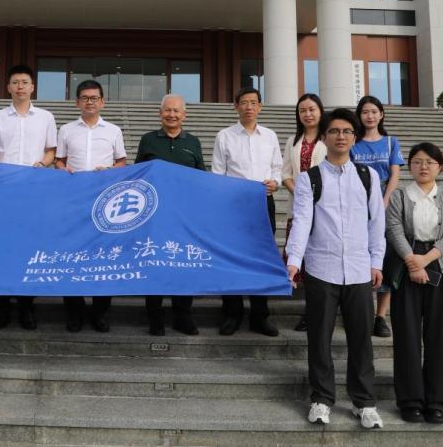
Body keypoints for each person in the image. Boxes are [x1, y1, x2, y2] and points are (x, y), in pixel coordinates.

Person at [285, 108, 385, 430]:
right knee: (319, 338)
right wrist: (293, 261)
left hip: (358, 270)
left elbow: (376, 223)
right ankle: (321, 399)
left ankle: (364, 402)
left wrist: (376, 262)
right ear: (324, 137)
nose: (340, 136)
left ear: (354, 137)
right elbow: (302, 222)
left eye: (346, 131)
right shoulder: (309, 178)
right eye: (334, 131)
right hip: (321, 269)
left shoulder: (368, 177)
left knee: (361, 340)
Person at [386, 142, 443, 424]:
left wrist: (426, 260)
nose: (423, 167)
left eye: (430, 162)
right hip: (406, 267)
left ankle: (436, 403)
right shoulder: (399, 196)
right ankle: (410, 402)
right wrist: (412, 261)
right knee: (406, 335)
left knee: (440, 336)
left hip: (441, 267)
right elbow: (394, 229)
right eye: (417, 161)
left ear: (440, 167)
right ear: (410, 166)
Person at [0, 65, 57, 330]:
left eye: (25, 82)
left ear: (32, 87)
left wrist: (43, 164)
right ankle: (1, 306)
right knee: (2, 249)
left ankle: (27, 307)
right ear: (8, 87)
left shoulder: (46, 117)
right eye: (15, 82)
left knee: (29, 249)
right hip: (4, 193)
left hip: (34, 194)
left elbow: (51, 151)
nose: (20, 86)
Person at [55, 80, 127, 332]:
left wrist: (109, 170)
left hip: (104, 203)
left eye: (94, 98)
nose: (90, 102)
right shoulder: (66, 130)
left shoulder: (113, 131)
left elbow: (122, 162)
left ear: (102, 102)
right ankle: (74, 313)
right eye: (85, 97)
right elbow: (59, 161)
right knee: (71, 255)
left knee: (103, 257)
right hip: (73, 202)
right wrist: (63, 169)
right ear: (77, 102)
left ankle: (100, 313)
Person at [212, 87, 283, 337]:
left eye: (253, 102)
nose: (249, 107)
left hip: (263, 203)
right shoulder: (224, 136)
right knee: (231, 258)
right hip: (233, 207)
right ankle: (232, 313)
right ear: (236, 106)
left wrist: (275, 182)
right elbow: (218, 173)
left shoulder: (270, 136)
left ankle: (260, 316)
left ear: (260, 106)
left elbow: (277, 168)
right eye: (244, 102)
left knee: (261, 259)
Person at [135, 93, 205, 336]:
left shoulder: (193, 142)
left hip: (184, 217)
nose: (171, 115)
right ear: (160, 113)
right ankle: (155, 317)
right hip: (154, 216)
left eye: (176, 111)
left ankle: (182, 316)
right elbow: (137, 174)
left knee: (183, 264)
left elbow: (201, 178)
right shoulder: (148, 140)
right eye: (167, 110)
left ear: (184, 115)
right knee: (153, 263)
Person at [352, 95, 405, 338]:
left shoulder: (391, 142)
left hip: (386, 200)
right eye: (365, 112)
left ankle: (380, 316)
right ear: (359, 116)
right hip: (358, 200)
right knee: (360, 253)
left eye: (374, 111)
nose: (370, 116)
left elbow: (395, 174)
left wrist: (384, 199)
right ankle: (361, 311)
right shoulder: (354, 143)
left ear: (381, 114)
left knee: (387, 257)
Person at [280, 94, 328, 332]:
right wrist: (300, 193)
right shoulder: (293, 140)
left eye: (312, 109)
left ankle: (320, 311)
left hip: (325, 208)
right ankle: (310, 312)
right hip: (298, 208)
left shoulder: (329, 138)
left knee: (321, 261)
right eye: (302, 110)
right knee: (304, 261)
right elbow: (285, 174)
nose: (307, 114)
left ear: (320, 111)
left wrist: (315, 196)